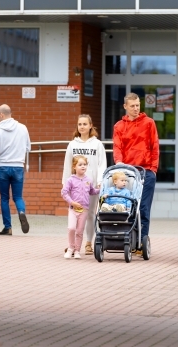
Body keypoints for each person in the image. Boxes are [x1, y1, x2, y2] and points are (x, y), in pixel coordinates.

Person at [113, 92, 159, 255]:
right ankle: (127, 239)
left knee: (144, 208)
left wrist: (153, 168)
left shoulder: (149, 123)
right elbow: (117, 147)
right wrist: (119, 163)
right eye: (132, 106)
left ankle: (141, 243)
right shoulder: (119, 126)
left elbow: (155, 146)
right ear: (125, 106)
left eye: (137, 105)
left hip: (146, 171)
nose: (135, 108)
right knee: (127, 206)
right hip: (127, 173)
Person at [62, 114, 107, 254]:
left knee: (90, 214)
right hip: (75, 186)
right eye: (79, 124)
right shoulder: (72, 144)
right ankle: (73, 244)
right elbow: (67, 165)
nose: (82, 126)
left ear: (90, 126)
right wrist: (65, 183)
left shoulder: (97, 144)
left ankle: (88, 242)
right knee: (74, 213)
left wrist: (100, 182)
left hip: (91, 185)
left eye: (85, 124)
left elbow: (102, 164)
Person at [0, 104, 31, 236]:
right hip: (18, 166)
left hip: (3, 167)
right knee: (18, 196)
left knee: (4, 198)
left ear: (1, 114)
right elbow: (28, 147)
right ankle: (21, 211)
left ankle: (8, 227)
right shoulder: (23, 128)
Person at [61, 155, 100, 259]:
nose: (83, 166)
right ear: (74, 166)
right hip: (73, 209)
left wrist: (100, 190)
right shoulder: (70, 180)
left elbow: (92, 191)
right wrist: (72, 202)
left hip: (84, 210)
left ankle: (77, 251)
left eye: (85, 164)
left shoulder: (88, 180)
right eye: (80, 165)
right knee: (71, 228)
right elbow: (64, 193)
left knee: (79, 231)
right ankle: (70, 248)